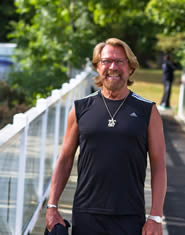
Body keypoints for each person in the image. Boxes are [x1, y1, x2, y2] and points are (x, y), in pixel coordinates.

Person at [46, 38, 167, 235]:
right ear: (97, 66)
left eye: (120, 61)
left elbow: (159, 165)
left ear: (130, 68)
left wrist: (155, 216)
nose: (113, 67)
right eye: (106, 61)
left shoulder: (148, 111)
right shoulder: (80, 109)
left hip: (129, 216)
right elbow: (65, 159)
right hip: (85, 214)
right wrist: (52, 206)